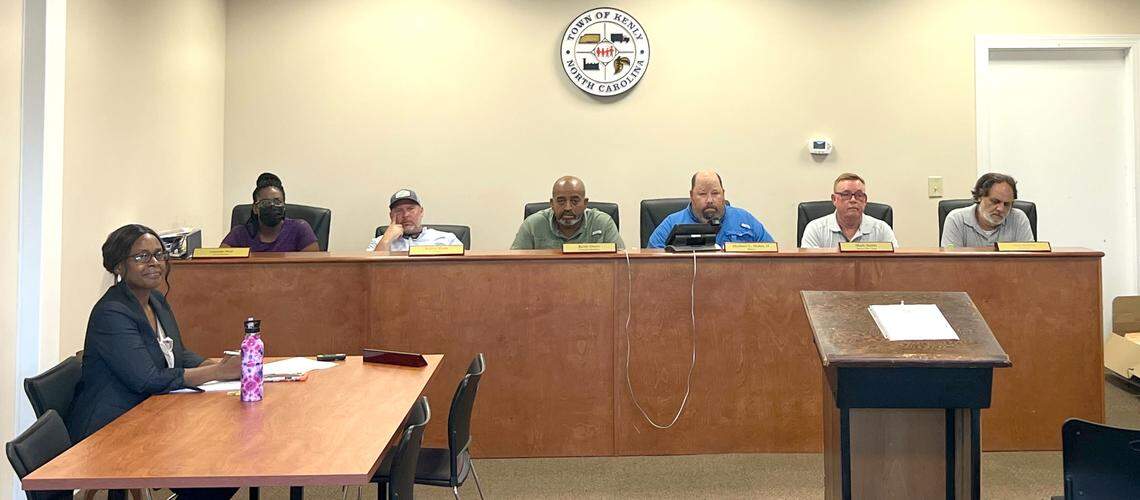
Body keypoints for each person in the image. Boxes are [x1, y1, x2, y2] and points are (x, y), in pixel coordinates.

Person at [68, 224, 241, 500]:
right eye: (141, 257)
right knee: (212, 476)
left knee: (227, 462)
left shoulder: (155, 301)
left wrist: (218, 365)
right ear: (118, 267)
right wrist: (215, 372)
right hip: (112, 428)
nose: (154, 263)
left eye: (159, 255)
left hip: (152, 413)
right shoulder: (112, 312)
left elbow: (178, 354)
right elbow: (147, 378)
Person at [648, 170, 774, 248]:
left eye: (715, 193)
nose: (709, 200)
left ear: (723, 194)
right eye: (702, 194)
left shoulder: (745, 220)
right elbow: (652, 265)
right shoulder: (671, 224)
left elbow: (772, 256)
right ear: (691, 196)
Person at [511, 176, 624, 249]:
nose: (568, 207)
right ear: (551, 203)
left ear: (585, 203)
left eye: (575, 201)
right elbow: (513, 265)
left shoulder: (603, 224)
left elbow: (622, 265)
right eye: (561, 201)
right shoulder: (532, 225)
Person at [221, 172, 319, 252]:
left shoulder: (300, 229)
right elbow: (219, 265)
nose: (272, 206)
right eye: (265, 202)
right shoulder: (240, 234)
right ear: (255, 208)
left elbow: (313, 269)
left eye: (277, 201)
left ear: (284, 206)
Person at [800, 173, 898, 248]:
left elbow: (894, 266)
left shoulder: (882, 230)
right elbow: (810, 269)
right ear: (834, 199)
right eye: (846, 194)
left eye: (859, 195)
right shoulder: (815, 229)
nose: (853, 200)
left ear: (865, 200)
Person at [941, 172, 1034, 247]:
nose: (1001, 209)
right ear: (979, 197)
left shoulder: (1019, 219)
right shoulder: (956, 220)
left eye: (1006, 204)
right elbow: (950, 265)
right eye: (995, 201)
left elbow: (1029, 263)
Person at [367, 189, 462, 251]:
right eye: (399, 211)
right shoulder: (378, 242)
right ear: (391, 216)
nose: (405, 215)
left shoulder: (447, 239)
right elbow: (370, 274)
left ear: (421, 211)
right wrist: (386, 240)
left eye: (410, 209)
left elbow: (464, 272)